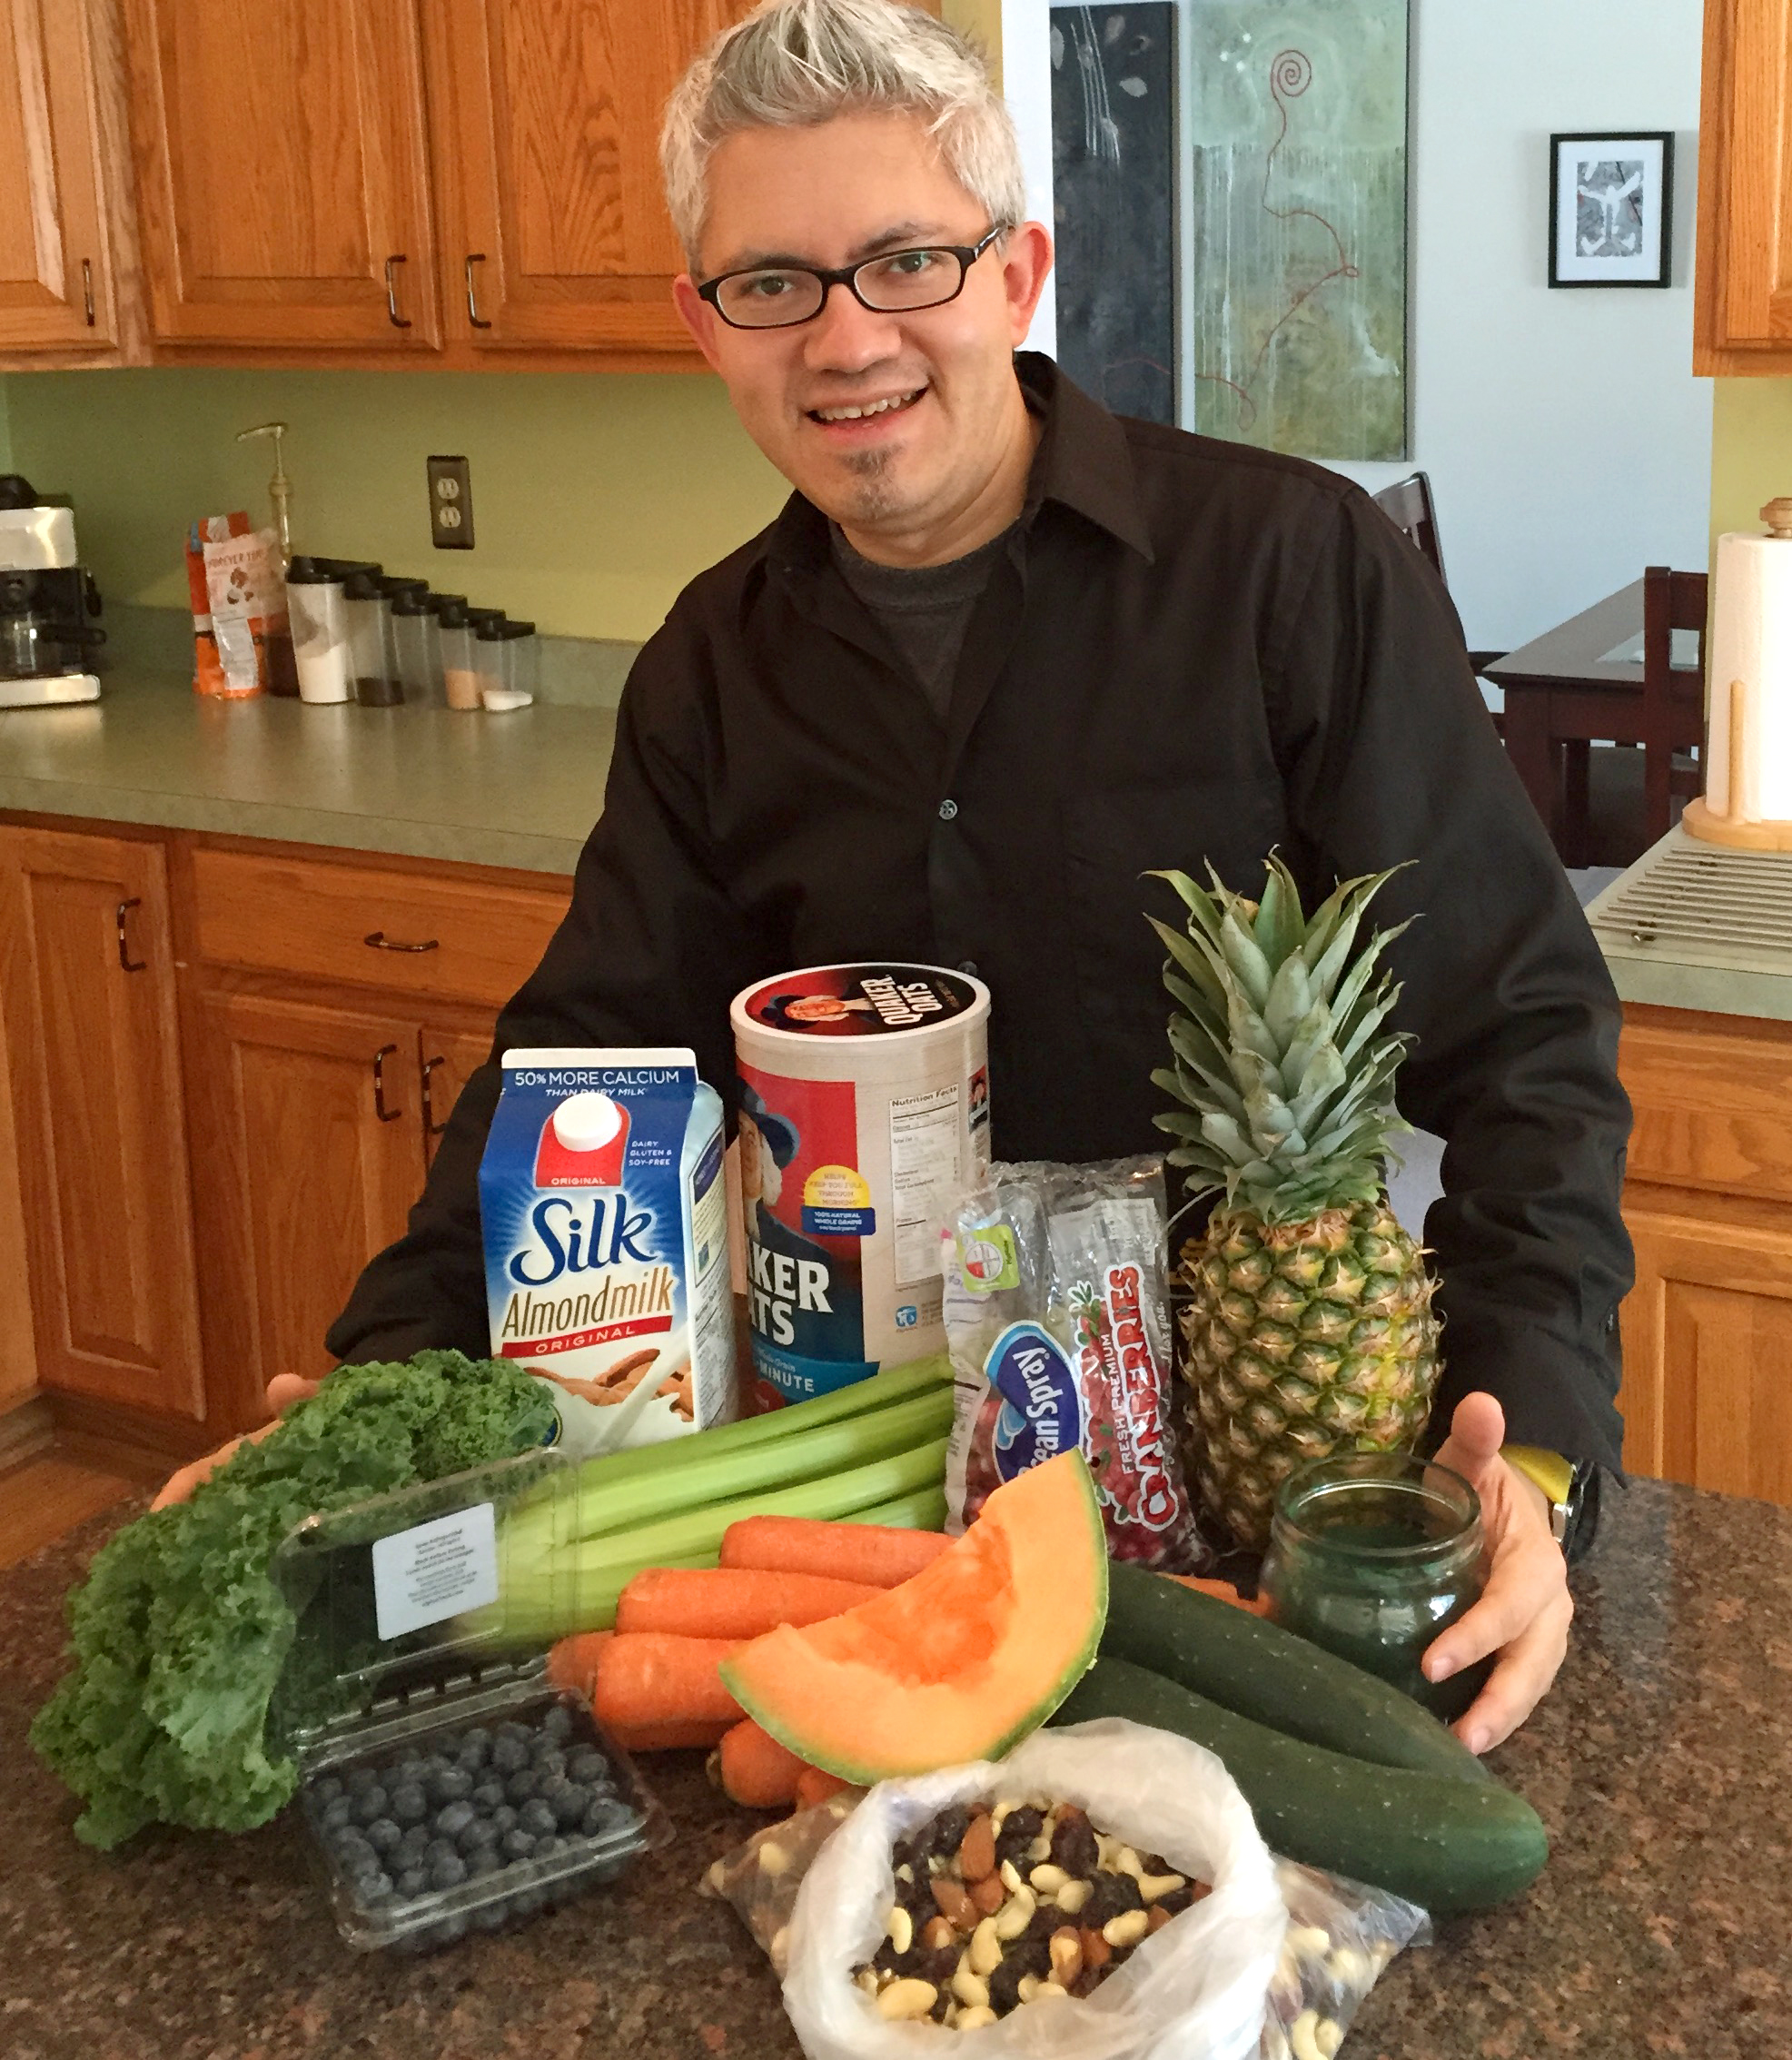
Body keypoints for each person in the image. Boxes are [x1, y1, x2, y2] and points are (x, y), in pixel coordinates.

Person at [164, 0, 1629, 1759]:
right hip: (844, 1508)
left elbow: (1524, 1031)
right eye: (773, 282)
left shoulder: (1285, 569)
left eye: (908, 261)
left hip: (1248, 1508)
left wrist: (1533, 1449)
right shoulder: (712, 666)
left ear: (1016, 275)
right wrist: (377, 1400)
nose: (846, 336)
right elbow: (584, 1065)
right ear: (702, 324)